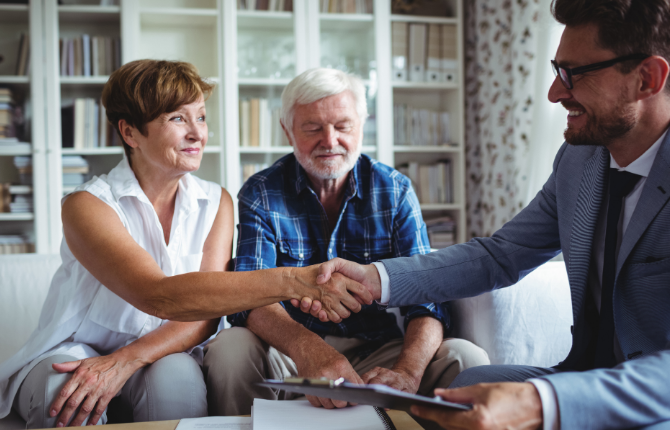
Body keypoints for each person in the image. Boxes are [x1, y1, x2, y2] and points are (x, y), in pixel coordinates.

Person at [312, 0, 670, 428]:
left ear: (648, 78)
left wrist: (540, 402)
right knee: (466, 389)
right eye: (556, 70)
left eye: (575, 74)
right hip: (585, 371)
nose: (555, 92)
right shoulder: (580, 160)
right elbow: (501, 255)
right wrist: (377, 279)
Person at [0, 60, 372, 429]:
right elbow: (158, 296)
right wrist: (296, 281)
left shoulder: (216, 201)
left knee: (179, 381)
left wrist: (126, 362)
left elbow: (202, 316)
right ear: (129, 132)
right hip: (77, 349)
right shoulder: (86, 206)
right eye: (178, 118)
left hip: (162, 349)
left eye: (200, 117)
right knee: (63, 392)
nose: (197, 132)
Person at [202, 68, 489, 416]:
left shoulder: (394, 190)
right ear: (287, 131)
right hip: (289, 349)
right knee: (230, 348)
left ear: (361, 125)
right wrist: (309, 350)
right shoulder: (261, 192)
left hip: (379, 350)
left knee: (466, 357)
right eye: (312, 128)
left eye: (342, 126)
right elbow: (249, 297)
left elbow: (426, 298)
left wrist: (407, 372)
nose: (330, 140)